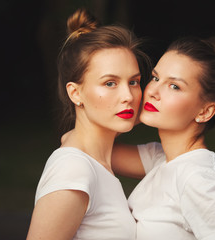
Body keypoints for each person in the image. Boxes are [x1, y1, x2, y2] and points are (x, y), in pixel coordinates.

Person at [111, 30, 215, 239]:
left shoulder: (198, 177)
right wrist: (129, 114)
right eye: (155, 77)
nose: (152, 91)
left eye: (174, 86)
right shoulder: (162, 160)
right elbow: (93, 147)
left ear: (204, 112)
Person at [26, 8, 151, 240]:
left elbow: (172, 160)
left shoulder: (98, 162)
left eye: (133, 81)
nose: (128, 95)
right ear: (75, 93)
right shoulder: (73, 170)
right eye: (110, 83)